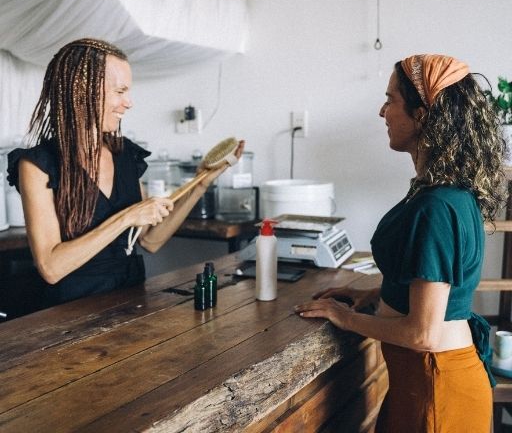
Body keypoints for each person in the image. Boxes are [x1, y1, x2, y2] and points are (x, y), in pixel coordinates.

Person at [295, 54, 504, 432]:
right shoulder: (445, 192)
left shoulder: (436, 206)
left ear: (422, 115)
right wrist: (376, 294)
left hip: (436, 385)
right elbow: (437, 287)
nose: (382, 111)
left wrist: (345, 317)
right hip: (424, 379)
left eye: (390, 100)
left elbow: (423, 333)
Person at [7, 38, 244, 307]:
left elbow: (149, 240)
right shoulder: (37, 165)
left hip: (131, 300)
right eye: (120, 91)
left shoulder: (126, 155)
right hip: (70, 310)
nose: (128, 103)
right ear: (82, 91)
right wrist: (127, 217)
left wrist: (201, 182)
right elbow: (51, 267)